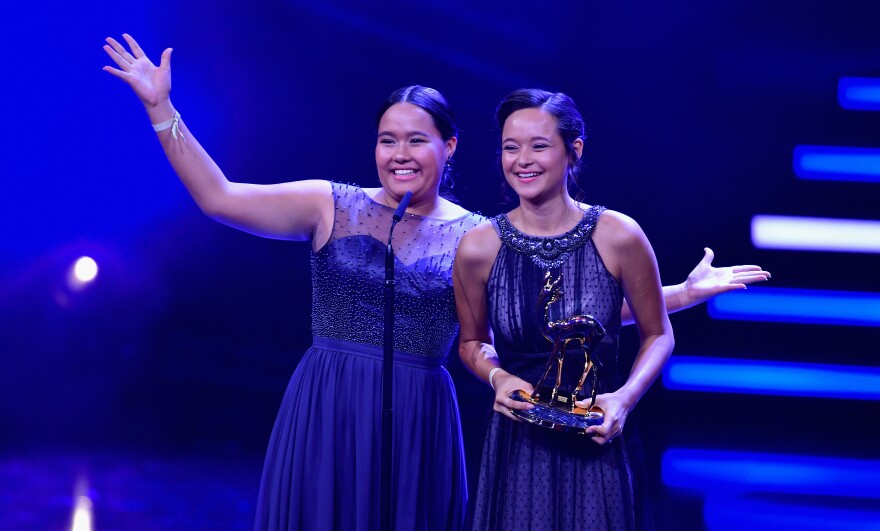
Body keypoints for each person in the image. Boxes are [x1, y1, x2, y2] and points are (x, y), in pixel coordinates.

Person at [103, 35, 768, 530]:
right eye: (387, 139)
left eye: (416, 140)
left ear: (449, 148)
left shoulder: (477, 237)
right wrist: (163, 111)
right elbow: (219, 197)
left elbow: (563, 314)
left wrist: (680, 292)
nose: (398, 154)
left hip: (420, 414)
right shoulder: (329, 203)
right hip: (325, 403)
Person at [452, 89, 738, 530]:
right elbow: (472, 342)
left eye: (539, 145)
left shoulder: (618, 234)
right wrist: (498, 376)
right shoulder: (478, 247)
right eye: (511, 147)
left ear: (574, 150)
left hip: (596, 443)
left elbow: (657, 333)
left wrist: (623, 400)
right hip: (517, 447)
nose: (522, 159)